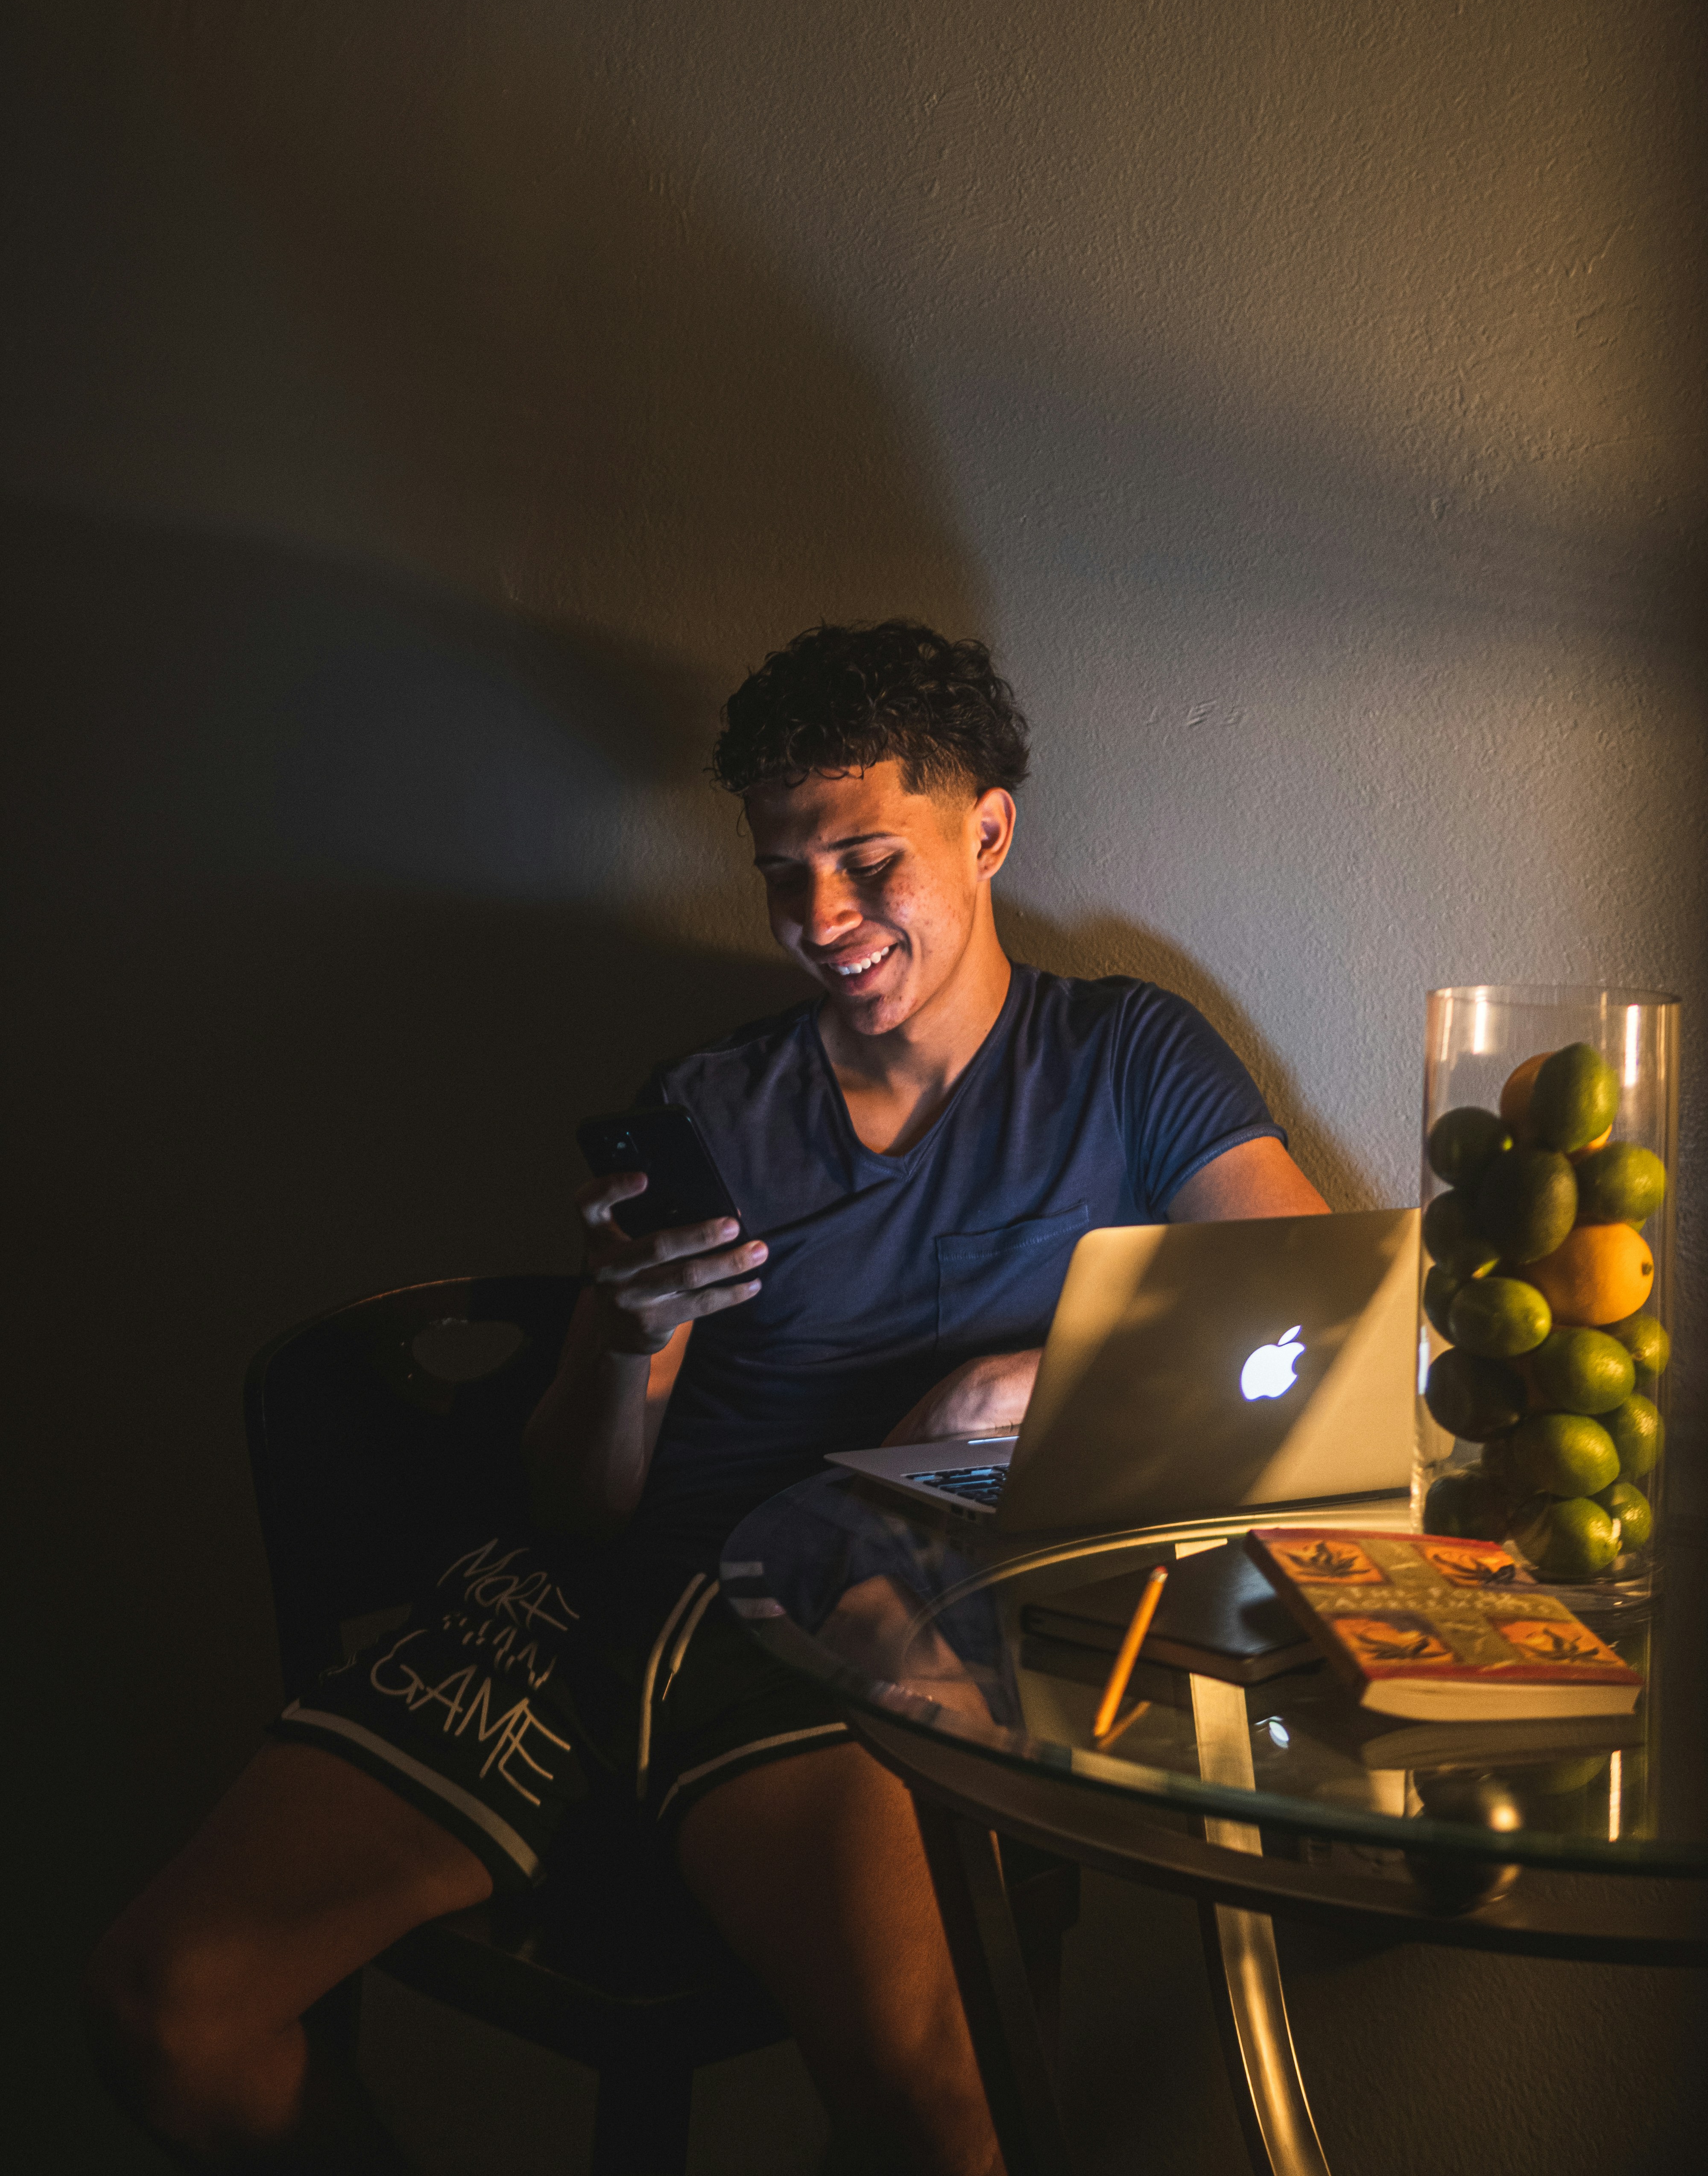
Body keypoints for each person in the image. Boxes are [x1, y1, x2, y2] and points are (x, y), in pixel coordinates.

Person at [86, 620, 1327, 2173]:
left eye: (869, 861)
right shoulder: (714, 1107)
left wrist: (1039, 1379)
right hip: (578, 1605)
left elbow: (1320, 1314)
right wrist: (618, 1337)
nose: (823, 916)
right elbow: (578, 1505)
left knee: (929, 2099)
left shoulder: (1125, 1057)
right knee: (165, 2005)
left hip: (832, 1634)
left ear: (988, 830)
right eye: (783, 870)